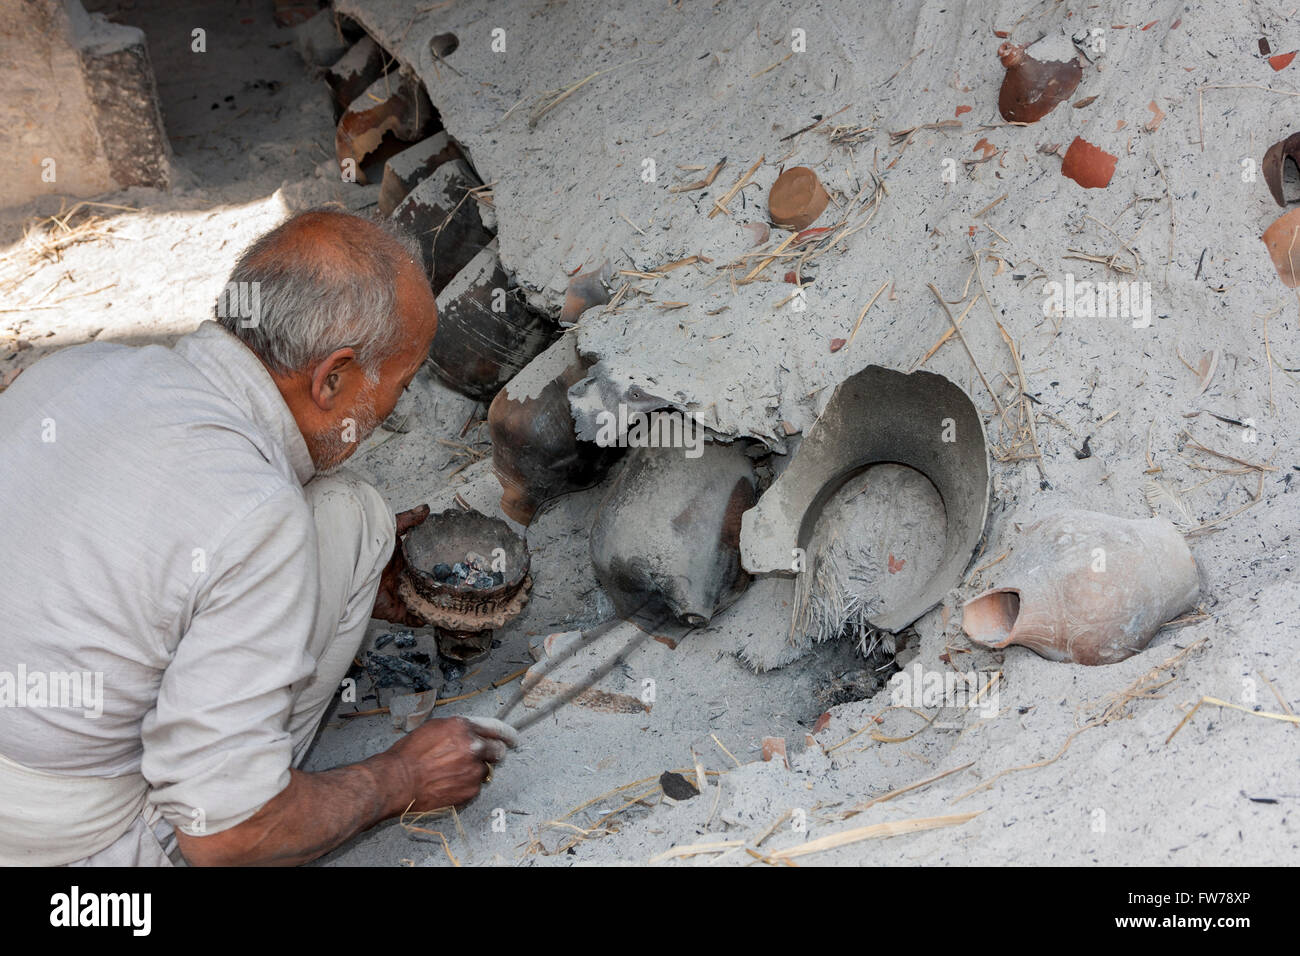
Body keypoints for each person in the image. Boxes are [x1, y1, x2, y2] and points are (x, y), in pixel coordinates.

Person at [0, 209, 516, 866]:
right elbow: (226, 837)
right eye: (401, 383)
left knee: (349, 514)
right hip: (57, 843)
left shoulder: (72, 368)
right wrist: (400, 779)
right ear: (334, 377)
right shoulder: (255, 515)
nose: (394, 411)